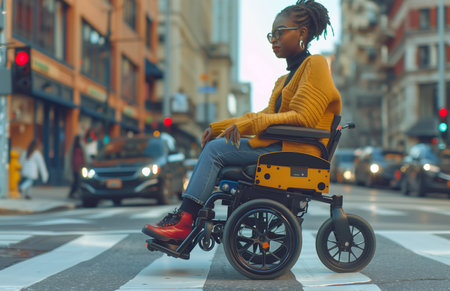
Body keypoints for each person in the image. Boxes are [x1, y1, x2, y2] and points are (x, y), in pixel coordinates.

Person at [142, 0, 341, 242]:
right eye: (271, 35)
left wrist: (249, 125)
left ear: (302, 34)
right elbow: (264, 115)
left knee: (215, 151)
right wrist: (219, 127)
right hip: (279, 148)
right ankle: (189, 217)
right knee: (214, 147)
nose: (273, 40)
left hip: (296, 152)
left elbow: (305, 118)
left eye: (280, 32)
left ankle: (185, 220)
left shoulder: (316, 64)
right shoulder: (284, 80)